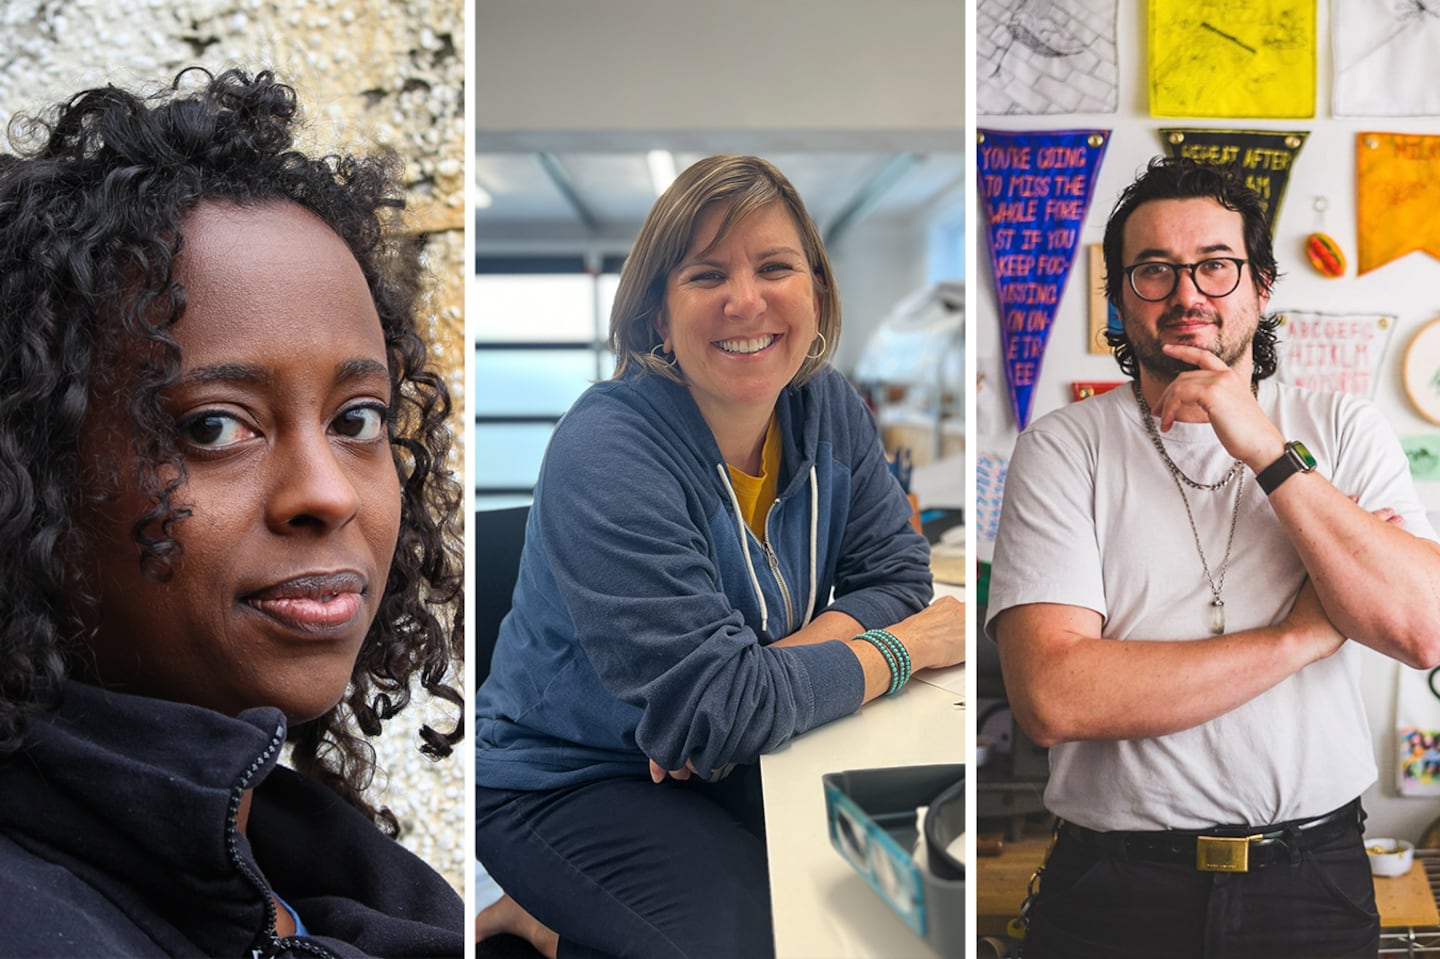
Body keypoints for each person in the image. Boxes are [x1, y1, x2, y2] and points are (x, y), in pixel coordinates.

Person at [0, 69, 465, 957]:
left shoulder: (328, 881)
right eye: (215, 427)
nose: (325, 491)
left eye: (357, 419)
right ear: (34, 470)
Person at [474, 154, 965, 958]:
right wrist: (901, 649)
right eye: (706, 275)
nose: (747, 300)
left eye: (776, 266)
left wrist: (751, 688)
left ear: (816, 292)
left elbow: (896, 577)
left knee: (862, 911)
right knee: (765, 940)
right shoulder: (606, 449)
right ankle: (537, 914)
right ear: (658, 317)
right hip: (567, 777)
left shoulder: (827, 407)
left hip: (721, 753)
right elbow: (737, 699)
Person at [987, 156, 1440, 959]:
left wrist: (1264, 446)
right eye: (1154, 270)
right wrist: (1302, 635)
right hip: (1114, 890)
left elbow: (1423, 626)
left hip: (1312, 883)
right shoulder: (1063, 448)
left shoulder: (1340, 428)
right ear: (1121, 299)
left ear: (1261, 288)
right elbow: (1055, 696)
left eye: (1215, 267)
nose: (1187, 293)